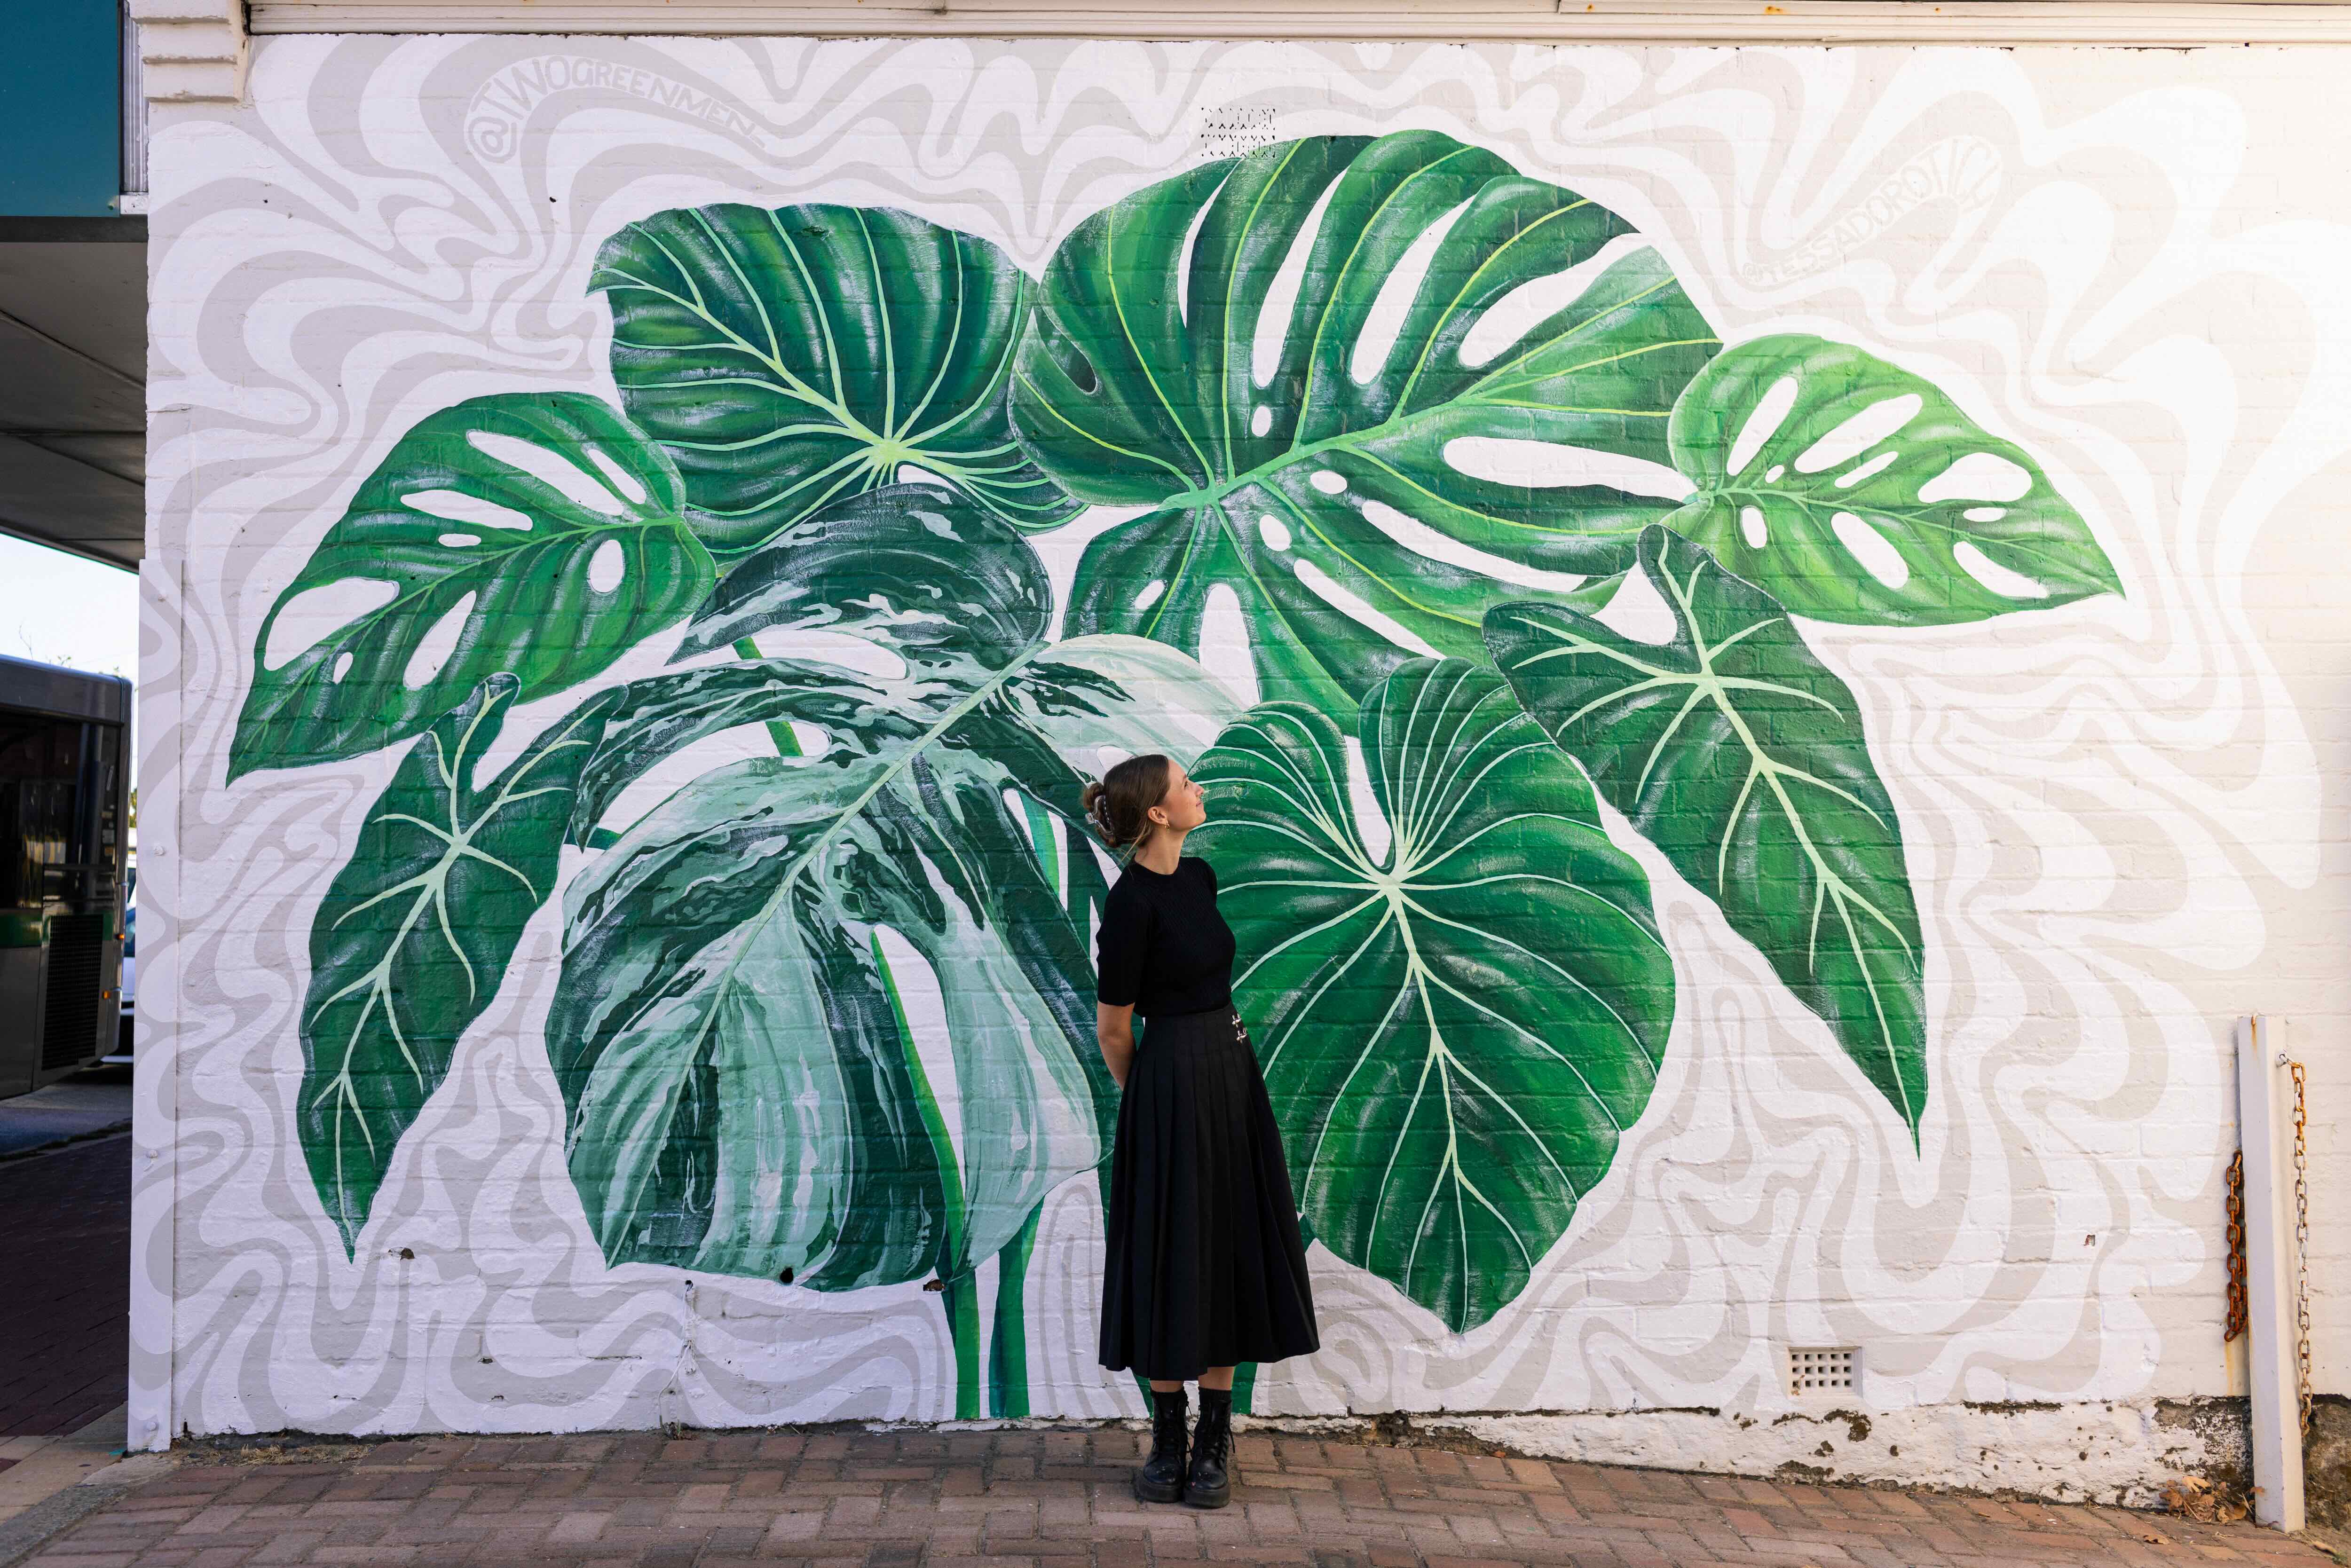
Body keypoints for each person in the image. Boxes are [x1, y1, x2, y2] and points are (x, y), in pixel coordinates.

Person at [1083, 753, 1319, 1510]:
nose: (1199, 790)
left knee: (1225, 1243)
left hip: (1230, 1073)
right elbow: (1114, 1029)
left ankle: (1215, 1438)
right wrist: (1154, 1097)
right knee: (1167, 1246)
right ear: (1158, 812)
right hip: (1170, 1081)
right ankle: (1169, 1439)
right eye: (1187, 784)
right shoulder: (1130, 905)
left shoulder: (1201, 878)